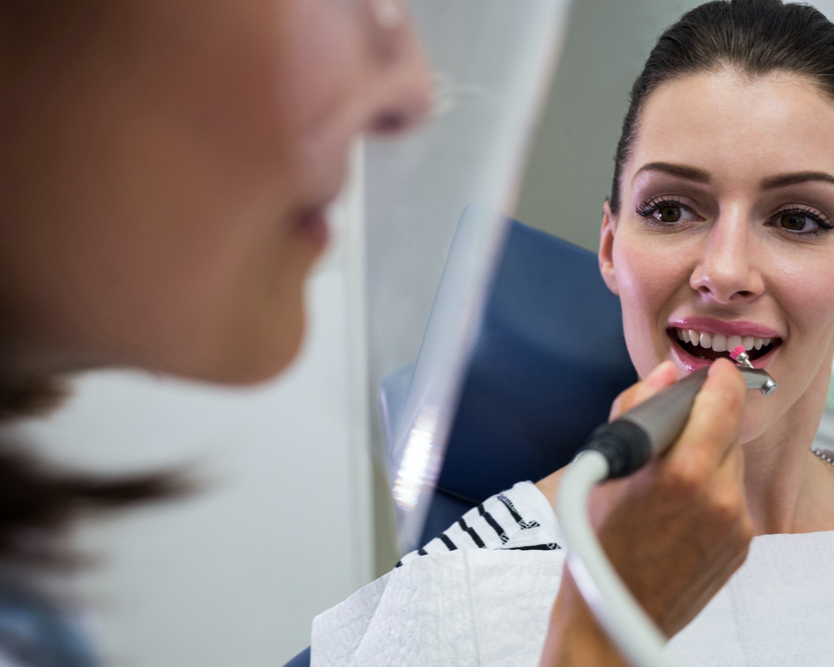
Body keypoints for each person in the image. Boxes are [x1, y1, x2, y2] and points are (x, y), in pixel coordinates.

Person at [0, 1, 754, 665]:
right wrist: (599, 637)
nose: (410, 96)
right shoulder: (469, 577)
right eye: (668, 210)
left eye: (797, 220)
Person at [312, 1, 834, 665]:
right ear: (611, 248)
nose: (725, 272)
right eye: (671, 209)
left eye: (796, 219)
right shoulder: (451, 597)